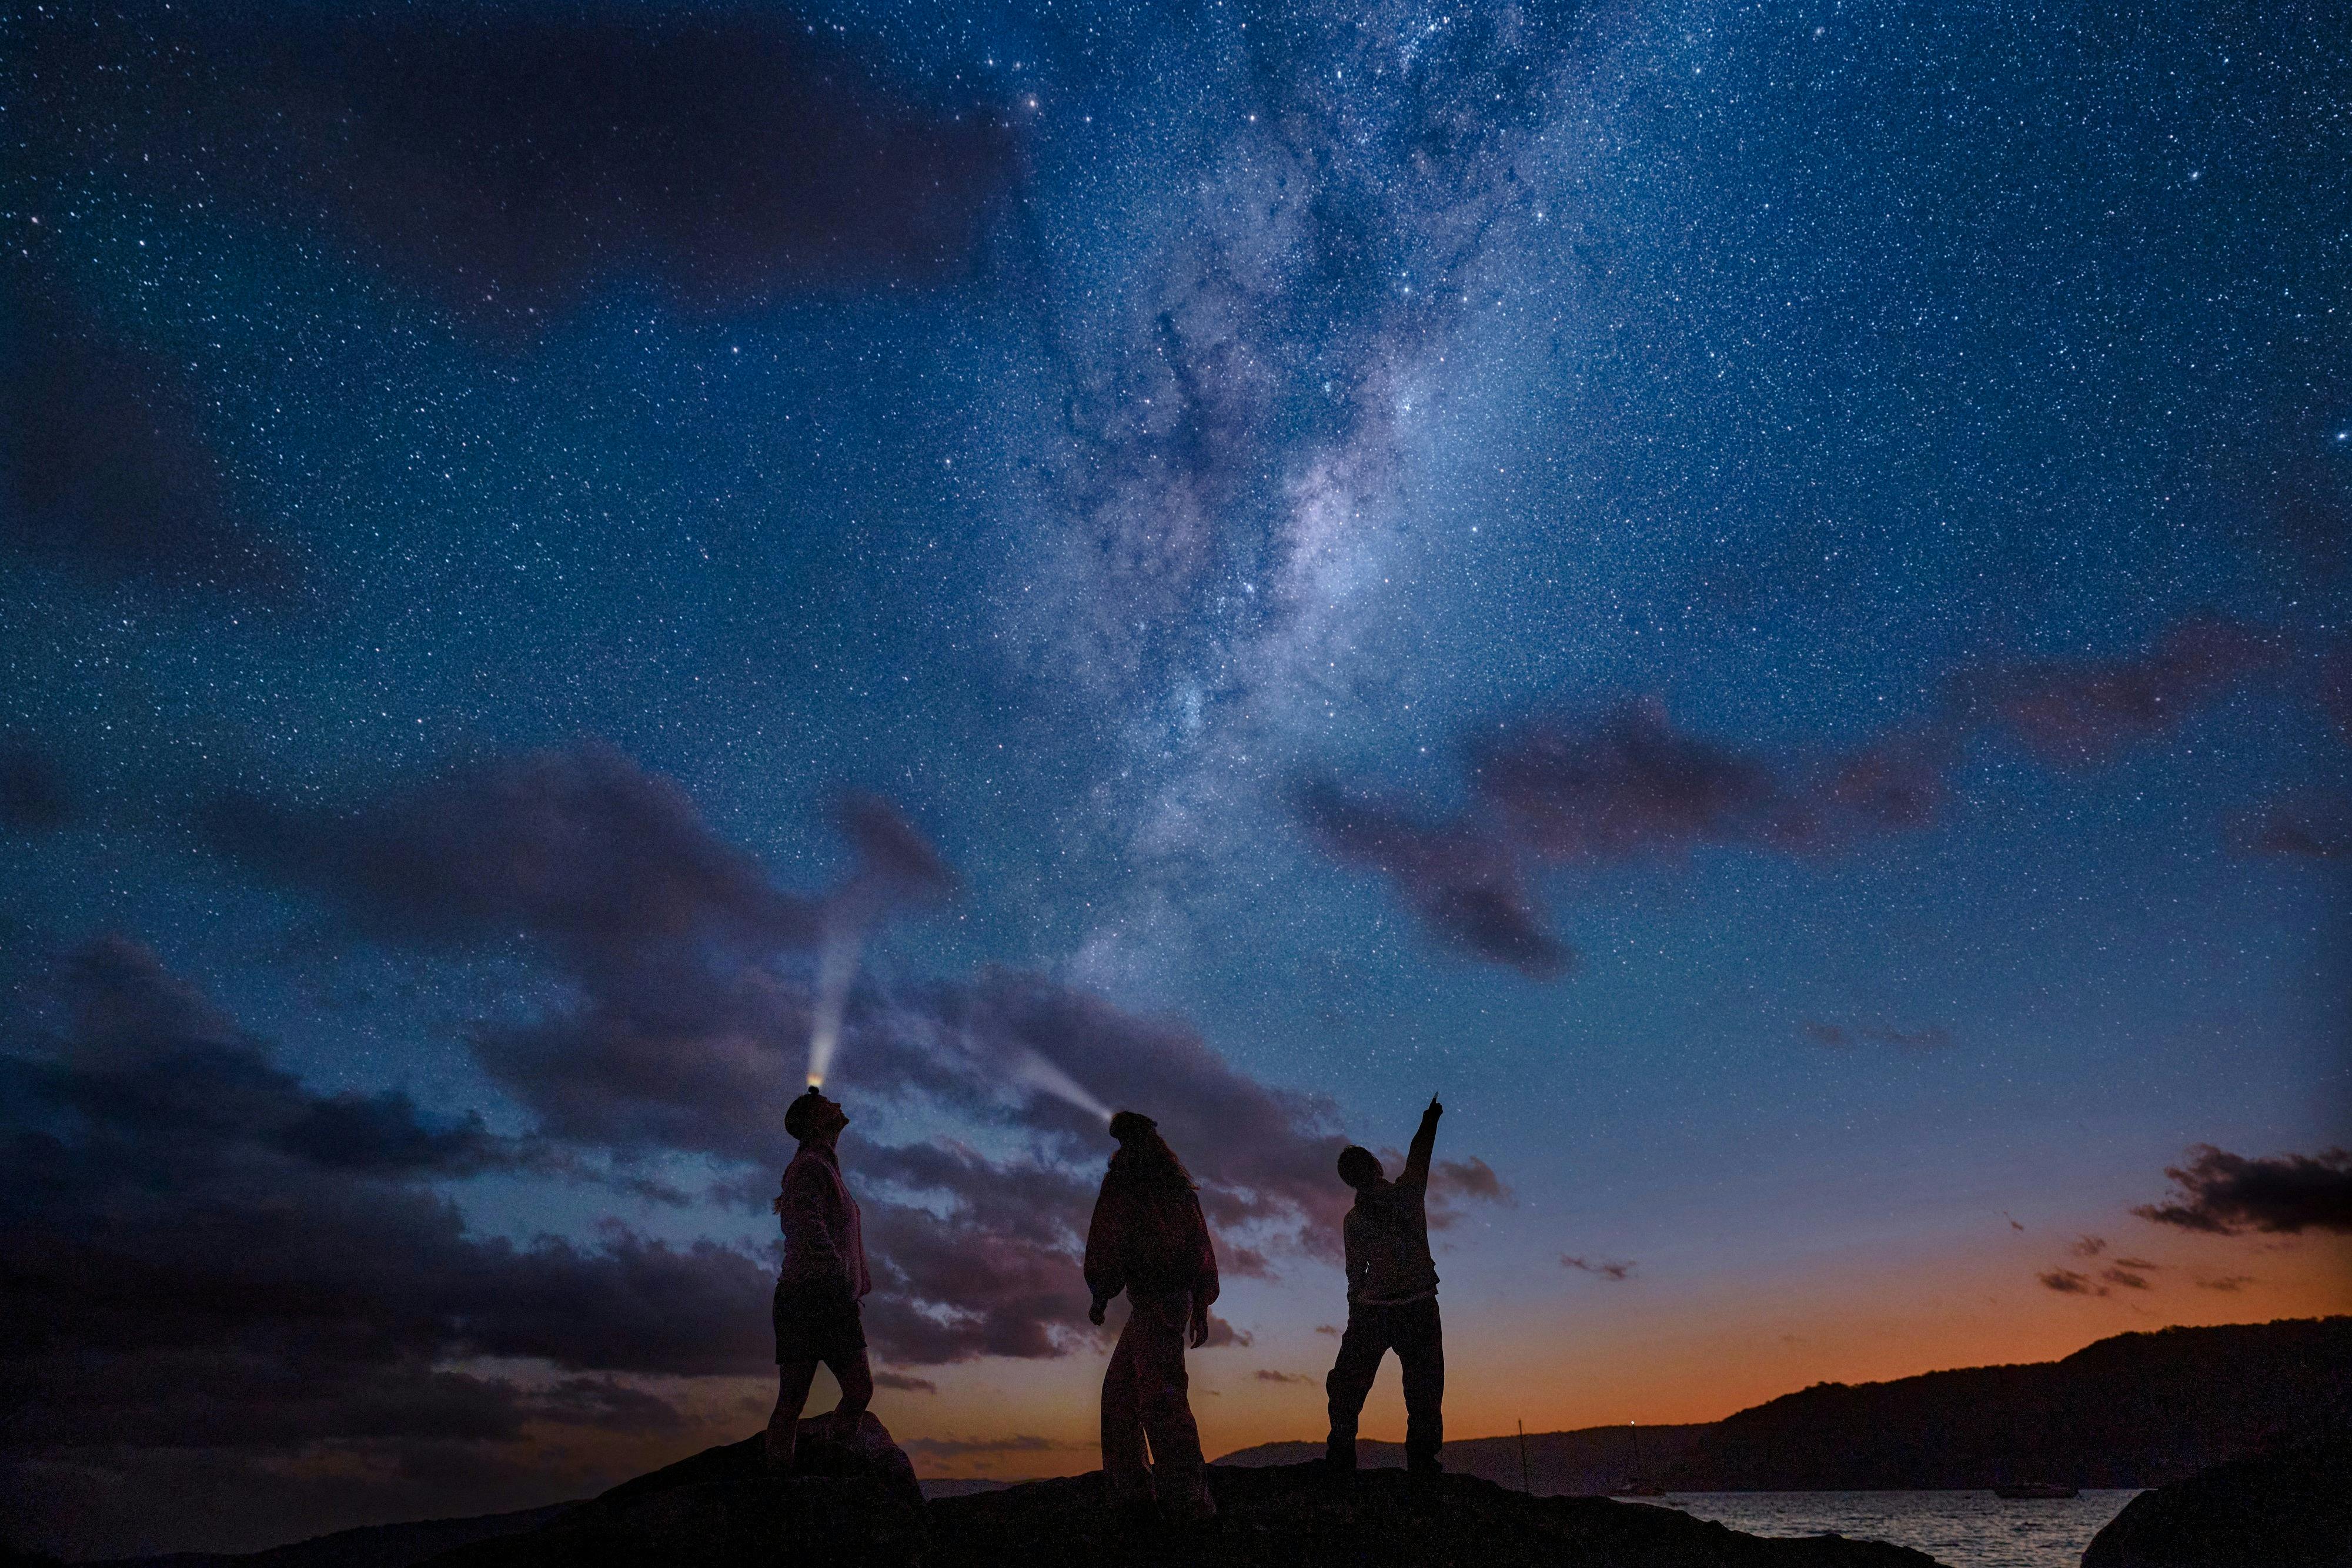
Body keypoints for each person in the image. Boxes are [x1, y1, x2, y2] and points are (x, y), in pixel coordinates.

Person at [1084, 1110, 1220, 1523]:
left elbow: (1107, 1238)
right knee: (1123, 1397)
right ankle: (1143, 1497)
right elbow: (1199, 1246)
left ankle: (1186, 1505)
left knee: (1158, 1402)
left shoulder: (1128, 1183)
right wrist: (1199, 1304)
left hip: (1160, 1302)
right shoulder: (1172, 1186)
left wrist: (1101, 1294)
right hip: (1164, 1301)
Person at [1325, 1094, 1445, 1480]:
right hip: (1407, 1307)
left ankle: (1342, 1456)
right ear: (1375, 1166)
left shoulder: (1359, 1217)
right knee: (1423, 1390)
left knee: (1350, 1387)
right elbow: (1419, 1152)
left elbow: (1354, 1273)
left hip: (1379, 1309)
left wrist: (1356, 1311)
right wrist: (1430, 1119)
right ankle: (1421, 1464)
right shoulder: (1406, 1193)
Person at [766, 1086, 875, 1471]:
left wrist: (850, 1284)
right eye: (828, 1104)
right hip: (813, 1296)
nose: (839, 1104)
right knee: (806, 1398)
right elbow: (807, 1228)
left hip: (817, 1293)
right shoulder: (810, 1168)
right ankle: (804, 1473)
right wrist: (838, 1282)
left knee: (815, 1397)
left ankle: (818, 1468)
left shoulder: (822, 1167)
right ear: (816, 1121)